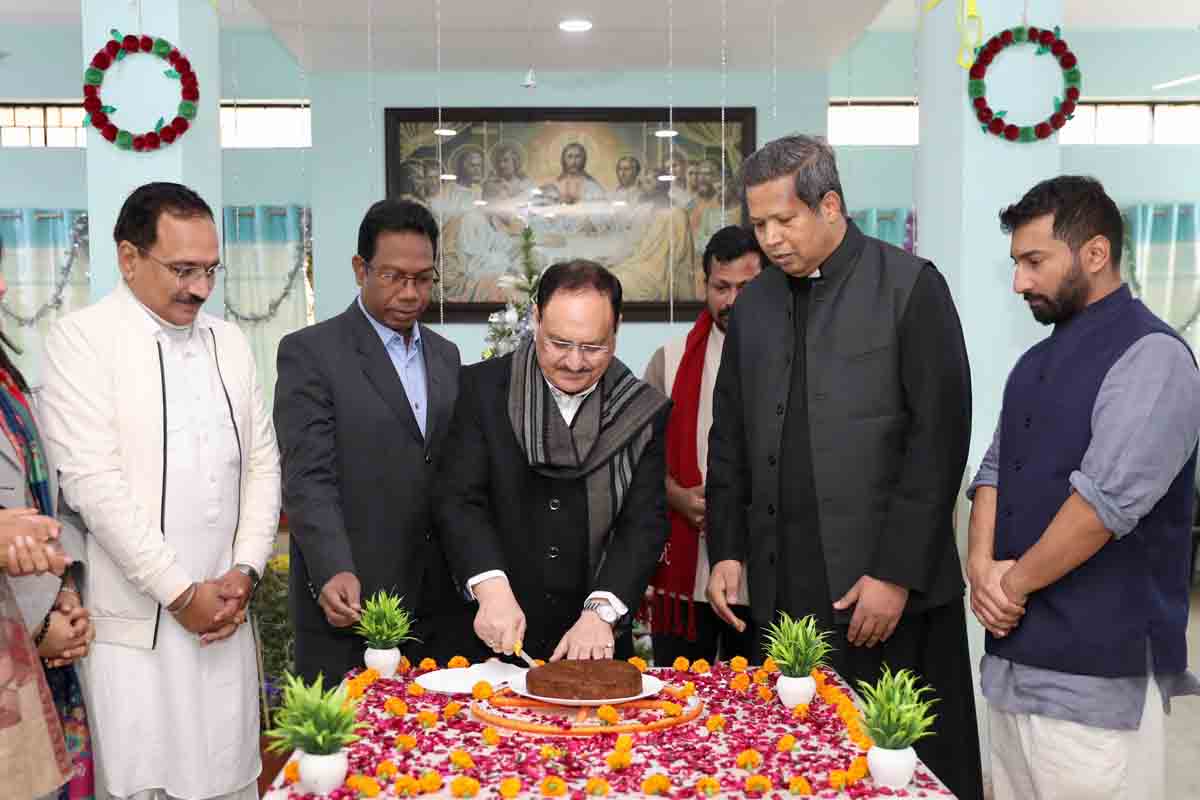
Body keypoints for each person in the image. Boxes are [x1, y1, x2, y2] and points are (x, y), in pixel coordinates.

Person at [706, 135, 983, 800]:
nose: (769, 239)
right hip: (780, 590)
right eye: (759, 223)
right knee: (789, 768)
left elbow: (939, 441)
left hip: (880, 594)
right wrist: (728, 550)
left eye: (784, 220)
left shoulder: (910, 287)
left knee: (891, 770)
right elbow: (730, 442)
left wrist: (895, 574)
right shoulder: (757, 308)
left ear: (830, 206)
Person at [40, 181, 281, 800]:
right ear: (128, 258)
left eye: (209, 270)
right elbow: (94, 487)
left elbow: (261, 464)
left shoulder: (228, 342)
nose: (199, 288)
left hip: (224, 620)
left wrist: (245, 572)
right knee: (141, 782)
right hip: (135, 637)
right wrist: (179, 593)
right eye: (181, 270)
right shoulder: (82, 341)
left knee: (230, 779)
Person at [966, 176, 1200, 800]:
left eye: (1034, 261)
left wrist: (1007, 586)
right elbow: (992, 470)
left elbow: (1104, 506)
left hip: (1096, 681)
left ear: (1095, 254)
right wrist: (979, 568)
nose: (1019, 282)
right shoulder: (1033, 363)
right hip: (1012, 667)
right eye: (1017, 263)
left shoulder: (1152, 356)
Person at [275, 199, 484, 684]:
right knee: (348, 753)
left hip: (439, 606)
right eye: (393, 277)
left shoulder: (445, 356)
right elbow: (308, 477)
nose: (410, 293)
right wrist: (331, 569)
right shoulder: (311, 353)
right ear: (360, 269)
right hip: (353, 599)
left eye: (423, 279)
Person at [436, 260, 670, 661]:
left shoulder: (640, 411)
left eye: (593, 347)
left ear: (616, 330)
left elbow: (643, 524)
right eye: (559, 344)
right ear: (536, 319)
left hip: (593, 640)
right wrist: (490, 585)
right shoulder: (482, 390)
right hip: (492, 634)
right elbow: (458, 500)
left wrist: (602, 613)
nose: (575, 362)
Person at [642, 225, 763, 664]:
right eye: (721, 287)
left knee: (758, 698)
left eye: (746, 287)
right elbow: (638, 456)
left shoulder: (790, 357)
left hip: (761, 565)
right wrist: (675, 494)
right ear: (704, 284)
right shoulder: (669, 360)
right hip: (686, 568)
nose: (732, 300)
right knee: (680, 691)